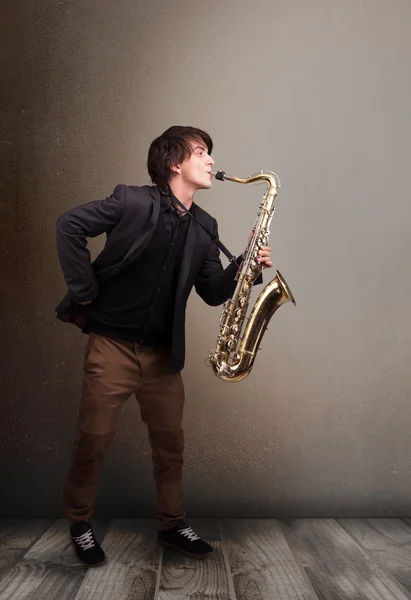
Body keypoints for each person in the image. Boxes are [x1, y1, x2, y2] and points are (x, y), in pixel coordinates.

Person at [55, 125, 273, 566]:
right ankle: (79, 523)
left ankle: (172, 523)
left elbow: (212, 291)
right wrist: (83, 291)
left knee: (171, 444)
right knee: (93, 439)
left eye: (210, 153)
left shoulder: (206, 226)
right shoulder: (131, 200)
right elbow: (69, 225)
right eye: (200, 152)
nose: (210, 160)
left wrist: (247, 266)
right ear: (174, 163)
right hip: (111, 346)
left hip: (162, 356)